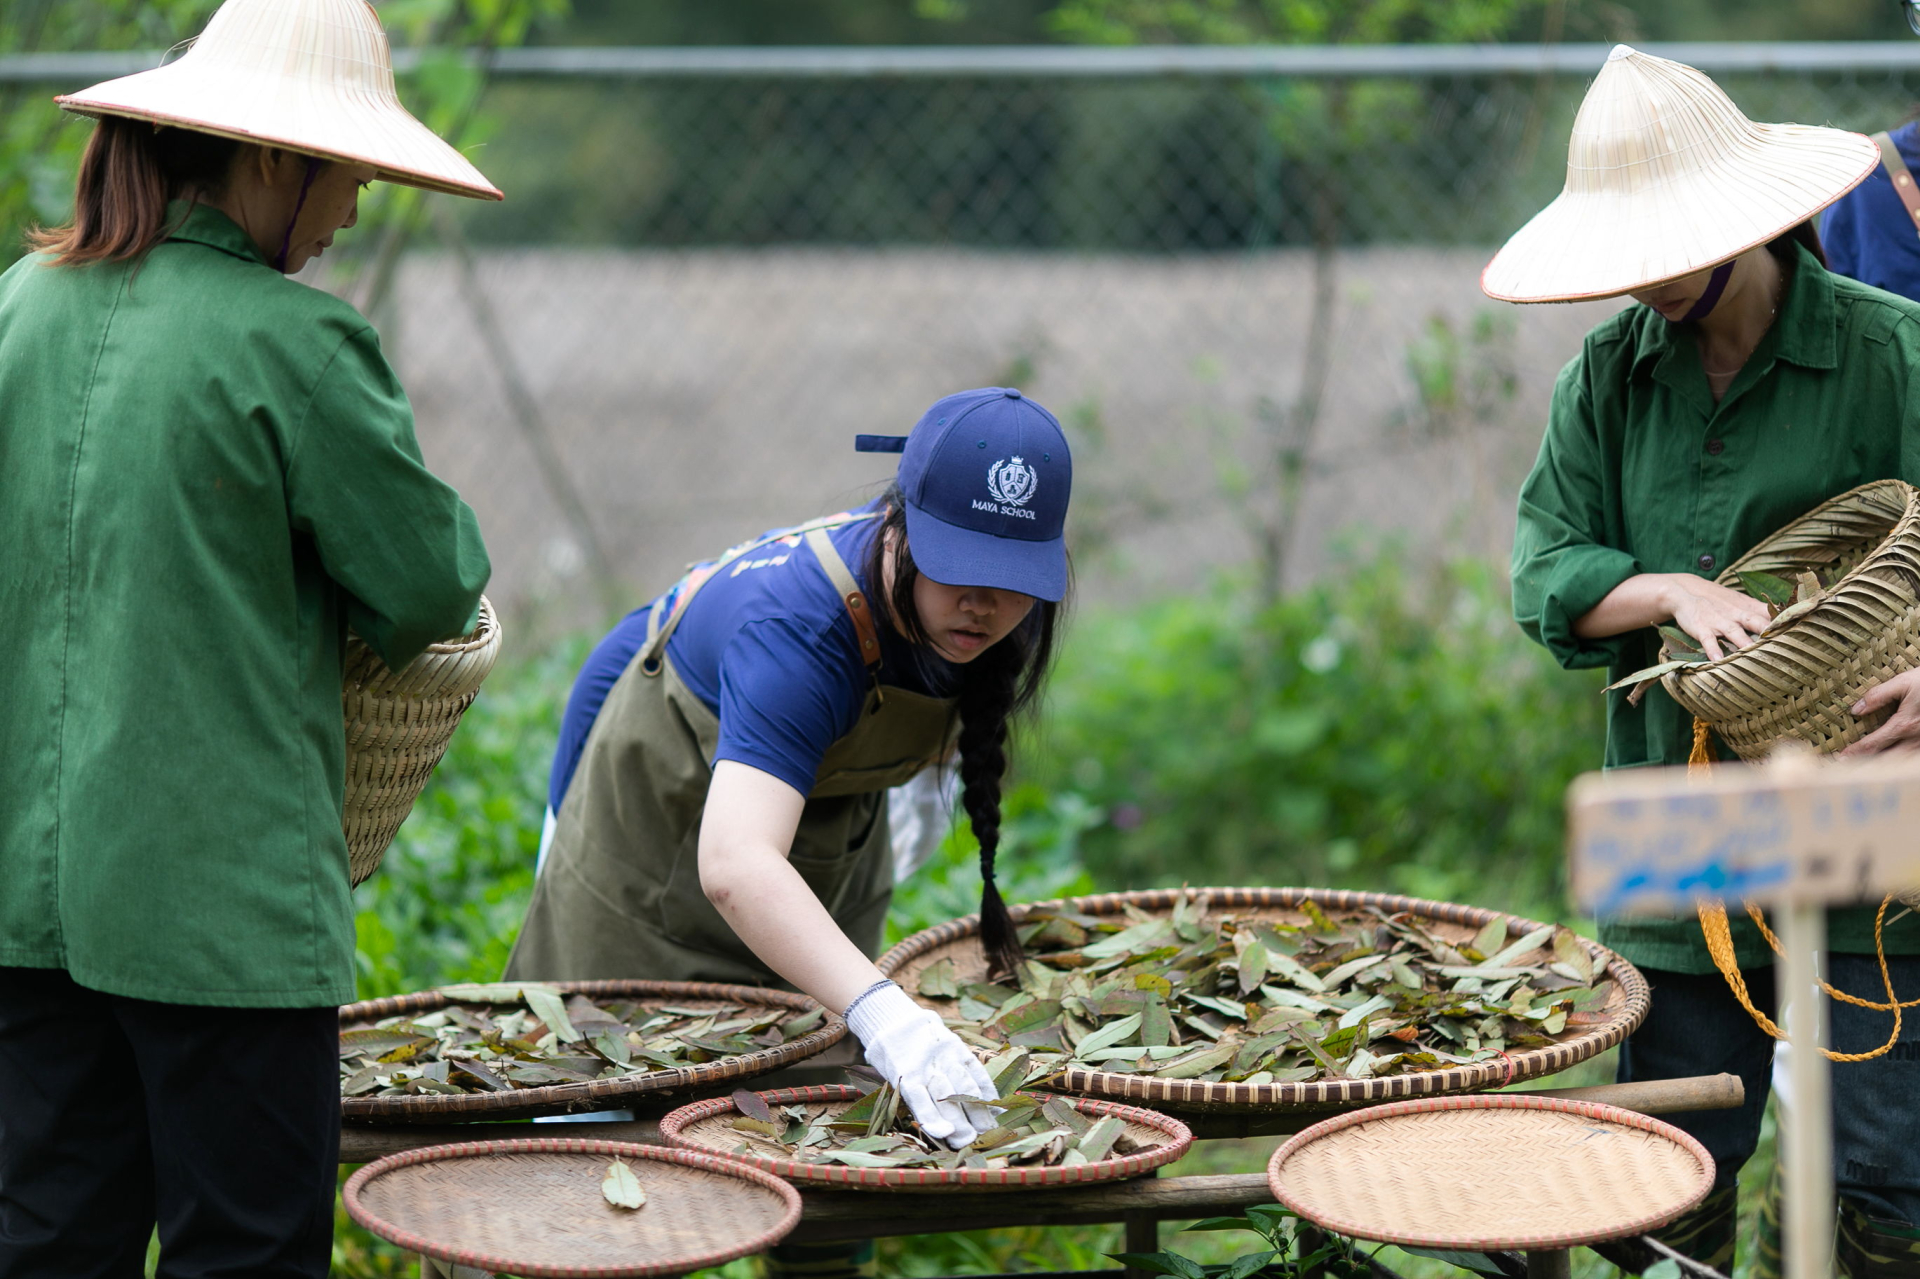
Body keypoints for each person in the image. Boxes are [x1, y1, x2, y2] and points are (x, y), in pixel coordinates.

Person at [0, 0, 496, 1274]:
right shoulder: (300, 345)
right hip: (220, 920)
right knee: (249, 1252)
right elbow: (432, 585)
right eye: (349, 179)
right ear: (275, 160)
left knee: (51, 1241)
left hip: (27, 899)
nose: (347, 217)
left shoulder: (17, 312)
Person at [1489, 46, 1920, 1276]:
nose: (1644, 284)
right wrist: (1673, 588)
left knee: (1887, 1173)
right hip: (1683, 816)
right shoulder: (1610, 377)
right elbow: (1543, 571)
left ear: (1740, 224)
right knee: (1670, 1152)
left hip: (1874, 815)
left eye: (1663, 247)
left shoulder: (1894, 354)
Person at [507, 387, 1072, 1152]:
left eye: (1010, 575)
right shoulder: (797, 633)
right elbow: (738, 862)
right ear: (898, 526)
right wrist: (889, 1016)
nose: (984, 601)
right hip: (658, 810)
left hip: (812, 816)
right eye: (959, 564)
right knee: (605, 1108)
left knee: (827, 1114)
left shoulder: (995, 617)